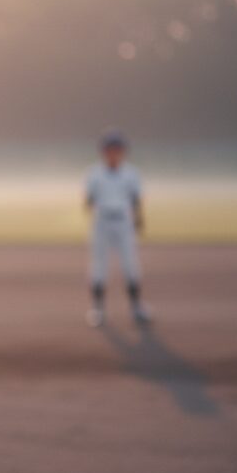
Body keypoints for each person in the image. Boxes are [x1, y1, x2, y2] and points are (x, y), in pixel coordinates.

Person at [84, 127, 150, 327]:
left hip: (123, 221)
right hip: (102, 221)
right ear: (103, 152)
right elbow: (89, 200)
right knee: (99, 266)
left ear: (123, 151)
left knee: (130, 264)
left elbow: (136, 199)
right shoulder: (94, 173)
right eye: (110, 149)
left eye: (117, 149)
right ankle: (98, 309)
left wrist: (138, 219)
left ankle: (136, 307)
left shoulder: (131, 173)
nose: (113, 152)